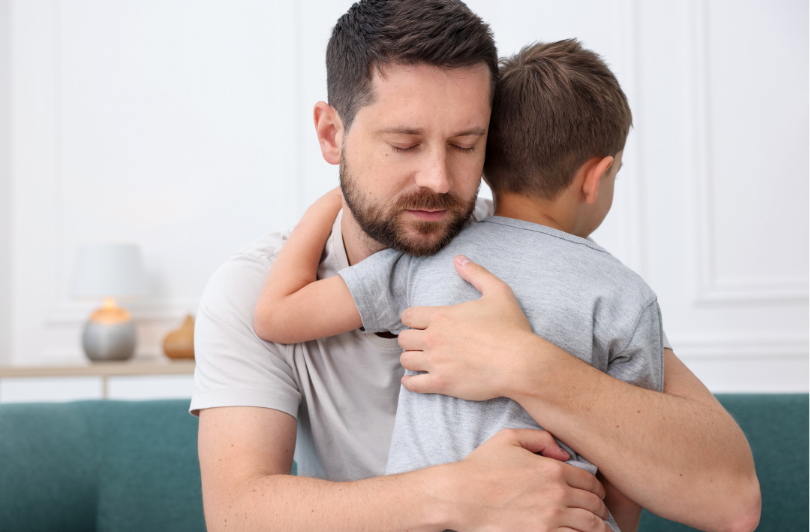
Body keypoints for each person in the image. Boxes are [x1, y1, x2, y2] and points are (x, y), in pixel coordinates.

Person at [191, 0, 760, 532]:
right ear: (331, 134)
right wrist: (462, 495)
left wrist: (524, 362)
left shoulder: (529, 255)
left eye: (466, 144)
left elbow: (731, 500)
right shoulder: (251, 288)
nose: (438, 180)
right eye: (405, 144)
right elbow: (237, 513)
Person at [254, 39, 656, 532]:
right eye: (403, 145)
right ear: (597, 177)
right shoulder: (626, 297)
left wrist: (331, 201)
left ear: (485, 157)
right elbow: (629, 467)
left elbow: (277, 315)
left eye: (462, 146)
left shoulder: (435, 259)